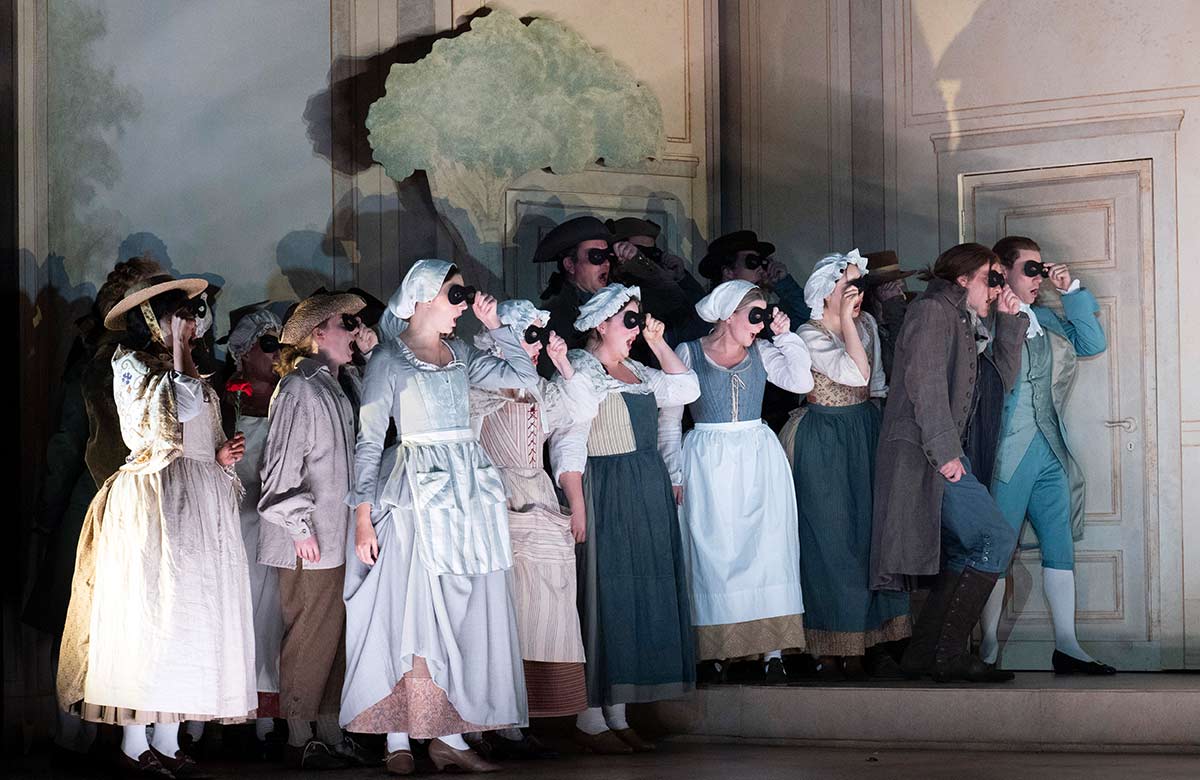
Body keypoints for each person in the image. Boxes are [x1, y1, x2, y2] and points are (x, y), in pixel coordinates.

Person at [343, 260, 537, 775]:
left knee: (460, 614)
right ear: (425, 295)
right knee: (410, 610)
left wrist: (496, 327)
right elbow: (367, 442)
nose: (461, 305)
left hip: (466, 490)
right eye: (455, 295)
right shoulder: (389, 358)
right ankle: (399, 737)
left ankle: (449, 733)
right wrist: (363, 517)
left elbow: (525, 380)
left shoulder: (462, 354)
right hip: (412, 491)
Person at [57, 274, 256, 776]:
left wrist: (218, 454)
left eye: (192, 315)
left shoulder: (186, 368)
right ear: (155, 321)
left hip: (196, 495)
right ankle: (132, 741)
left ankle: (168, 739)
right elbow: (175, 413)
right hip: (156, 498)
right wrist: (180, 353)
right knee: (152, 618)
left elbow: (196, 423)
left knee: (189, 618)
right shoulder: (132, 365)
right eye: (180, 315)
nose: (191, 323)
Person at [550, 284, 699, 753]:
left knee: (636, 593)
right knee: (605, 595)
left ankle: (619, 712)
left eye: (637, 319)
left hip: (644, 486)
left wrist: (657, 343)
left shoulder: (637, 369)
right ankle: (591, 716)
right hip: (606, 487)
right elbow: (568, 441)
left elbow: (686, 389)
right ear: (601, 324)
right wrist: (577, 504)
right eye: (628, 321)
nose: (634, 329)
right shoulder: (582, 370)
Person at [870, 243, 1027, 683]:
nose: (997, 288)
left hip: (945, 455)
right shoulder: (933, 312)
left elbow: (998, 382)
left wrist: (1011, 323)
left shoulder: (962, 317)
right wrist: (946, 454)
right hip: (928, 456)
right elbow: (926, 386)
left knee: (965, 550)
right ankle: (951, 656)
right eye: (990, 279)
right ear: (962, 279)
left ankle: (923, 655)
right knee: (994, 536)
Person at [660, 280, 813, 686]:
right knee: (712, 550)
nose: (759, 324)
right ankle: (714, 650)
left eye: (764, 314)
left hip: (757, 455)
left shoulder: (763, 351)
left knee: (768, 547)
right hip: (707, 458)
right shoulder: (688, 352)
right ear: (729, 315)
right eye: (754, 315)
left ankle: (773, 651)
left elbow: (802, 383)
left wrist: (786, 336)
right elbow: (671, 422)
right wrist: (674, 472)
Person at [468, 300, 601, 758]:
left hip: (539, 494)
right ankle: (491, 719)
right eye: (527, 338)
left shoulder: (544, 390)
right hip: (495, 492)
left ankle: (523, 715)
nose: (536, 348)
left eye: (538, 340)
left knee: (542, 606)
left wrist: (564, 364)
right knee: (500, 607)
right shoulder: (479, 385)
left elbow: (583, 409)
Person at [978, 236, 1114, 676]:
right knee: (996, 550)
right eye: (1030, 269)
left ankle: (1068, 646)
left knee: (1060, 547)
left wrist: (1070, 288)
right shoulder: (986, 318)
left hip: (1050, 449)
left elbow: (1092, 343)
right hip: (1005, 454)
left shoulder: (1048, 318)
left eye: (1041, 270)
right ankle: (988, 645)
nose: (1037, 278)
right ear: (1004, 270)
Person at [781, 251, 911, 680]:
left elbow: (872, 386)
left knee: (868, 535)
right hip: (825, 437)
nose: (856, 295)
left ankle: (869, 639)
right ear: (826, 293)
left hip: (863, 431)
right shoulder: (808, 333)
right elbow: (852, 373)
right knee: (830, 536)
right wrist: (850, 324)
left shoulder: (866, 326)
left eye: (859, 287)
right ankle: (829, 642)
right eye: (847, 287)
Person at [259, 293, 375, 770]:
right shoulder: (298, 389)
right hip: (312, 537)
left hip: (338, 531)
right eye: (345, 323)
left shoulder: (337, 384)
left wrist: (368, 352)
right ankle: (299, 732)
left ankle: (327, 728)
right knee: (309, 630)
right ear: (317, 334)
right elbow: (280, 470)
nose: (353, 330)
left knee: (334, 632)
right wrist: (298, 524)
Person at [221, 304, 286, 755]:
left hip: (275, 520)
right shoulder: (225, 401)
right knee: (233, 612)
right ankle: (219, 715)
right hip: (232, 519)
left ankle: (266, 719)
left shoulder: (290, 397)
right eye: (267, 345)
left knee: (271, 617)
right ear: (243, 353)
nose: (276, 353)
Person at [607, 217, 708, 346]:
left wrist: (681, 277)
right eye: (637, 252)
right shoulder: (612, 287)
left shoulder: (661, 282)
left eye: (651, 252)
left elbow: (699, 311)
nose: (642, 259)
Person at [535, 216, 617, 371]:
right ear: (570, 265)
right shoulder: (554, 316)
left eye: (607, 256)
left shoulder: (616, 302)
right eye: (596, 257)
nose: (606, 263)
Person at [860, 250, 916, 388]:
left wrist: (896, 308)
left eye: (899, 284)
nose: (899, 291)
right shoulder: (864, 322)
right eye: (891, 286)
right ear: (876, 290)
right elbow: (893, 365)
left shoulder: (906, 308)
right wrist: (893, 308)